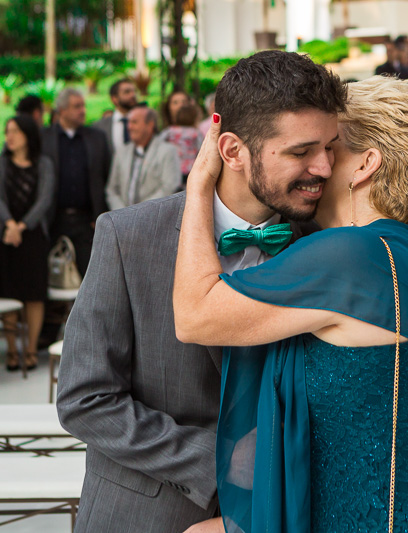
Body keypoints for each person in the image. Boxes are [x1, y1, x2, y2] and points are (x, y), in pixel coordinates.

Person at [173, 75, 408, 532]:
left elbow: (194, 315)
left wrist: (197, 187)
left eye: (331, 148)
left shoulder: (351, 255)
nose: (319, 166)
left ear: (366, 163)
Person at [56, 50, 342, 533]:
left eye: (331, 147)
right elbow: (85, 397)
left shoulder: (326, 248)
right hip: (145, 514)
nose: (325, 167)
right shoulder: (128, 237)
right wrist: (220, 463)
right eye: (301, 152)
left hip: (285, 516)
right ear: (231, 150)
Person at [0, 115, 54, 371]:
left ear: (28, 135)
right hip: (6, 237)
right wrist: (10, 224)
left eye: (15, 132)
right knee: (8, 292)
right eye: (7, 131)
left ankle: (30, 348)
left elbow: (44, 199)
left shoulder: (43, 163)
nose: (9, 137)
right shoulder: (2, 164)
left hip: (32, 237)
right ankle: (12, 349)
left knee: (34, 294)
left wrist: (22, 226)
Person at [41, 88, 111, 276]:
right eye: (76, 106)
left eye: (83, 106)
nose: (82, 110)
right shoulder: (44, 138)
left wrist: (99, 214)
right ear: (61, 110)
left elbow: (105, 174)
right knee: (53, 277)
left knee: (90, 276)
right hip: (53, 220)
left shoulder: (97, 138)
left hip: (86, 221)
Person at [105, 105, 181, 210]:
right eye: (129, 122)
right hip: (122, 219)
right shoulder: (121, 152)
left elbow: (169, 187)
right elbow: (112, 189)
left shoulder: (167, 151)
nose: (129, 127)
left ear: (150, 125)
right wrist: (122, 212)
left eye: (134, 122)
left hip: (154, 217)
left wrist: (139, 211)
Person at [160, 103, 203, 184]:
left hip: (172, 167)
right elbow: (201, 150)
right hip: (190, 169)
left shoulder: (169, 131)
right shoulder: (196, 133)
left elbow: (159, 144)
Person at [94, 78, 139, 155]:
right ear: (114, 99)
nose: (133, 95)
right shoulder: (100, 126)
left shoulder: (145, 123)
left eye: (134, 91)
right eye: (127, 92)